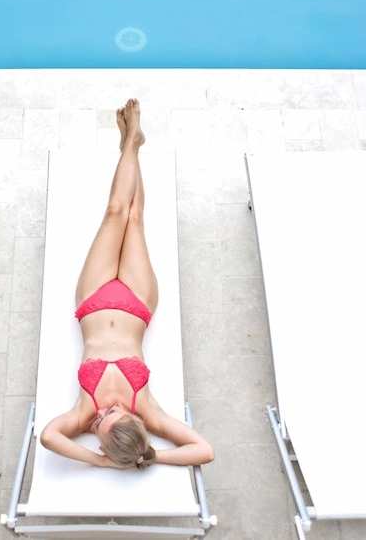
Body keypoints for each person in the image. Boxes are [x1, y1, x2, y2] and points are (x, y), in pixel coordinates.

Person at [39, 99, 215, 470]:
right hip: (136, 301)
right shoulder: (148, 412)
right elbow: (204, 450)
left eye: (102, 421)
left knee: (115, 211)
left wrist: (98, 461)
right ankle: (132, 144)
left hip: (94, 298)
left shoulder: (83, 414)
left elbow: (49, 436)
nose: (108, 409)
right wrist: (149, 456)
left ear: (99, 440)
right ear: (136, 424)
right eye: (118, 414)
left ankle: (131, 144)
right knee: (134, 217)